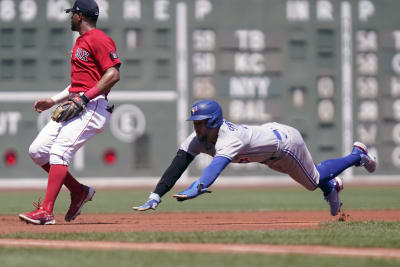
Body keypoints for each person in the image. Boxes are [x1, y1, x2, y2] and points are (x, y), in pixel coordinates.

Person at [133, 99, 376, 216]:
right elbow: (177, 165)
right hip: (268, 155)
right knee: (313, 178)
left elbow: (215, 168)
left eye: (201, 123)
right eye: (195, 123)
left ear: (214, 122)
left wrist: (199, 185)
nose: (196, 127)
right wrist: (156, 195)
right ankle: (332, 186)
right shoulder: (197, 139)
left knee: (312, 181)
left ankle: (357, 156)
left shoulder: (230, 138)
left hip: (285, 144)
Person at [19, 0, 121, 225]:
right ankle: (78, 191)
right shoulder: (81, 42)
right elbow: (78, 84)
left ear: (80, 16)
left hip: (92, 107)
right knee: (37, 151)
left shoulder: (99, 39)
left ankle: (46, 211)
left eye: (72, 14)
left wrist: (86, 97)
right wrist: (53, 100)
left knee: (59, 152)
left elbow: (113, 74)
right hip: (79, 102)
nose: (70, 17)